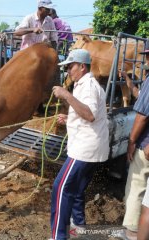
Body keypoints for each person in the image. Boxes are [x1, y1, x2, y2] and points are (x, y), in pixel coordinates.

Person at [50, 49, 109, 240]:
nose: (68, 71)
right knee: (76, 190)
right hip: (92, 148)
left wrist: (66, 95)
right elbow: (88, 113)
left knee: (60, 188)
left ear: (82, 67)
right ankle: (79, 226)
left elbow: (90, 115)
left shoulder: (88, 86)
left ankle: (59, 236)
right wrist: (69, 118)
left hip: (84, 149)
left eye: (70, 67)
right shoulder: (84, 84)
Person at [119, 41, 149, 240]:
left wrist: (131, 141)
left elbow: (142, 115)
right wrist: (130, 84)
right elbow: (142, 99)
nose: (146, 59)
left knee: (136, 186)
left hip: (146, 146)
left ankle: (132, 231)